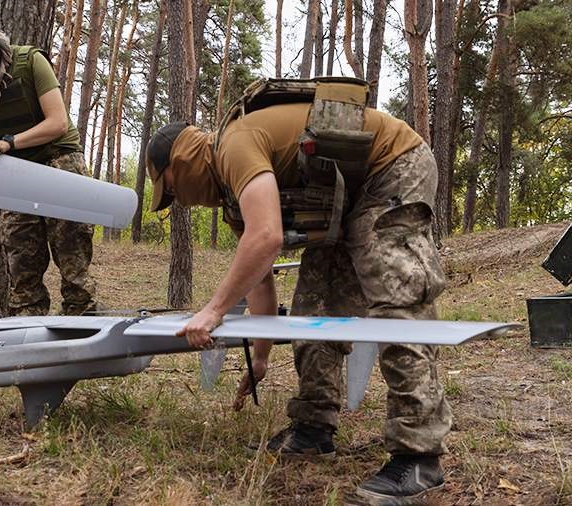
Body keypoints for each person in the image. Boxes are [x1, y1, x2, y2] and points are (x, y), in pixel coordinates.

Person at [146, 84, 451, 503]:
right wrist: (261, 355)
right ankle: (313, 428)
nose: (180, 202)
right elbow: (260, 277)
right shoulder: (234, 197)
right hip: (349, 198)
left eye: (172, 190)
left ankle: (419, 458)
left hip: (393, 165)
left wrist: (214, 310)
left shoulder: (232, 146)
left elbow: (267, 236)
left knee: (395, 295)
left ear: (180, 162)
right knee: (315, 306)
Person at [0, 14, 96, 316]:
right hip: (15, 170)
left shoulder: (30, 62)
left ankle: (83, 315)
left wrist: (7, 143)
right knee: (21, 256)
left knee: (71, 251)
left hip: (58, 158)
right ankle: (28, 321)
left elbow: (58, 123)